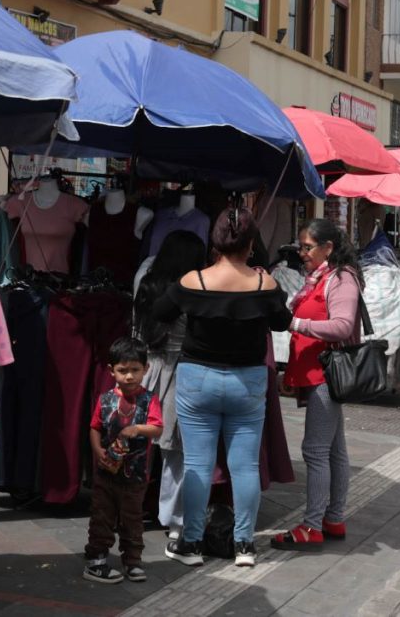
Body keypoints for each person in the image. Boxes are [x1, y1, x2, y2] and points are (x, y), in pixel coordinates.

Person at [154, 206, 292, 568]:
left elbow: (160, 311)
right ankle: (244, 545)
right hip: (247, 381)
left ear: (214, 243)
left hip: (198, 377)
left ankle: (192, 542)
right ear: (250, 244)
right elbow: (282, 322)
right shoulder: (264, 283)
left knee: (198, 464)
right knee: (243, 465)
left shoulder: (193, 281)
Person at [271, 219, 363, 551]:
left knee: (315, 451)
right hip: (316, 374)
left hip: (325, 375)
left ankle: (312, 526)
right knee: (335, 450)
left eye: (307, 247)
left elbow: (341, 326)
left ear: (328, 248)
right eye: (300, 246)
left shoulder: (341, 279)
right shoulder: (321, 277)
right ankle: (333, 518)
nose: (302, 252)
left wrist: (296, 323)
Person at [133, 231, 208, 543]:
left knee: (136, 447)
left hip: (143, 369)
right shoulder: (192, 290)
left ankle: (127, 510)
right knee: (176, 452)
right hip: (179, 372)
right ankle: (173, 518)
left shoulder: (146, 280)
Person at [84, 337, 163, 584]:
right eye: (123, 371)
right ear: (112, 370)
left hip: (136, 476)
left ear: (145, 369)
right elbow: (95, 427)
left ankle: (132, 561)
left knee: (132, 519)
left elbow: (157, 428)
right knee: (102, 516)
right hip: (106, 472)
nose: (129, 376)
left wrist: (138, 429)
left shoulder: (149, 399)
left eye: (135, 370)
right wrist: (98, 450)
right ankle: (96, 560)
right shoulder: (106, 399)